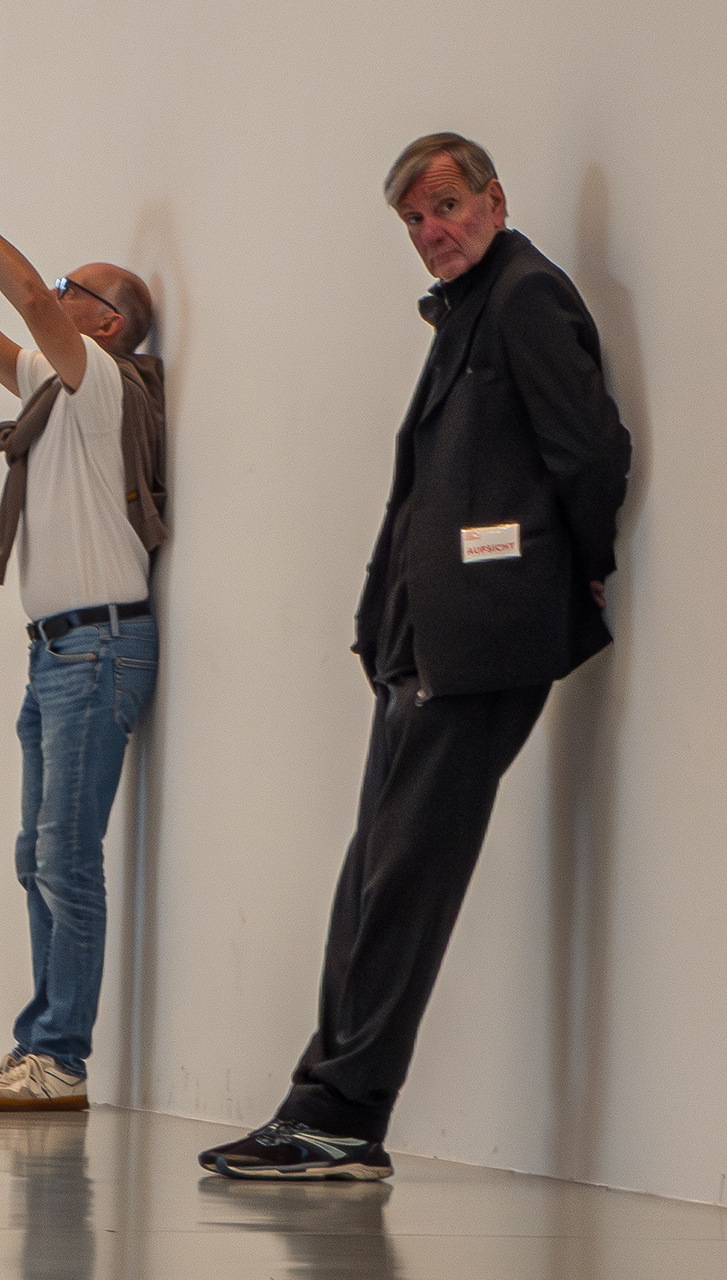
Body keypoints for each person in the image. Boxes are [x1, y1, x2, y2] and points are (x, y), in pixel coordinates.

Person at [198, 134, 631, 1180]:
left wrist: (581, 568)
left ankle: (342, 1116)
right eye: (414, 221)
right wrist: (380, 618)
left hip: (482, 642)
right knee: (371, 879)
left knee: (405, 883)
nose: (432, 232)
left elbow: (592, 450)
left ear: (495, 198)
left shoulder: (525, 295)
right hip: (421, 642)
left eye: (446, 207)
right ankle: (321, 1105)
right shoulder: (467, 308)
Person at [0, 148, 167, 1111]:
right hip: (56, 653)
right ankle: (39, 1048)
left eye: (69, 291)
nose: (51, 296)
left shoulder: (104, 385)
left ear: (106, 321)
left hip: (98, 649)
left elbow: (15, 297)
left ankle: (60, 1058)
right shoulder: (50, 389)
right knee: (38, 858)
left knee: (65, 859)